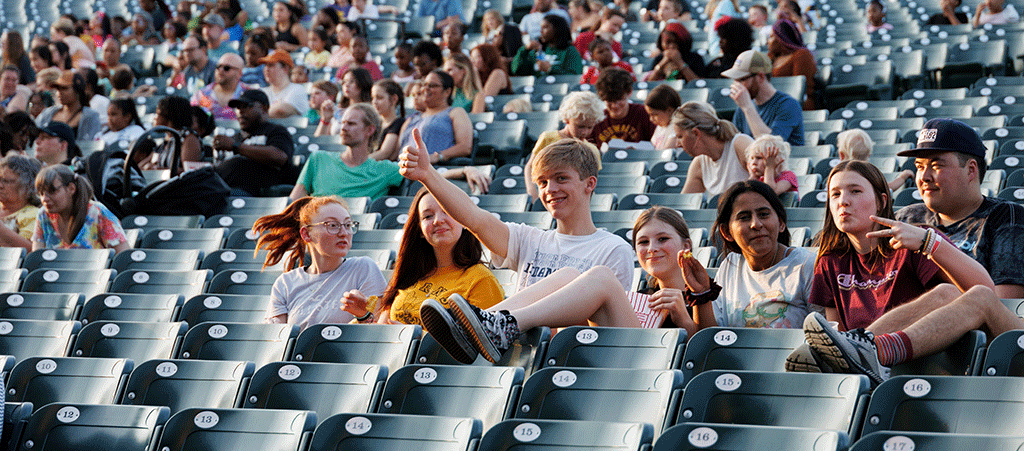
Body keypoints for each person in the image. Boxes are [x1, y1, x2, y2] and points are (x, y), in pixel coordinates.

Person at [786, 160, 1023, 385]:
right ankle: (863, 351)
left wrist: (929, 243)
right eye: (835, 194)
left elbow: (985, 293)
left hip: (926, 366)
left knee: (948, 292)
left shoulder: (914, 238)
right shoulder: (829, 260)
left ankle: (872, 349)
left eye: (855, 191)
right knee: (840, 345)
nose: (843, 201)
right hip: (872, 375)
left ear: (881, 201)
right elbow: (834, 332)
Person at [401, 134, 635, 294]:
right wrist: (427, 175)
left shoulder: (613, 249)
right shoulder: (529, 240)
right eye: (542, 182)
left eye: (561, 178)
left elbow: (606, 323)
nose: (550, 190)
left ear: (590, 183)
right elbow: (473, 217)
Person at [895, 118, 1024, 299]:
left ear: (971, 170)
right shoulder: (906, 218)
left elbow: (1005, 308)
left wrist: (930, 244)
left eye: (936, 165)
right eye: (919, 166)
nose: (924, 177)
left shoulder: (1007, 218)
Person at [373, 188, 503, 325]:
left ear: (464, 220)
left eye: (447, 211)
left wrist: (412, 336)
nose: (438, 220)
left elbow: (483, 340)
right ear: (420, 230)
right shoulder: (408, 274)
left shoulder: (481, 279)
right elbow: (382, 327)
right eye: (428, 216)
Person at [255, 196, 387, 329]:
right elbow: (276, 340)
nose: (344, 233)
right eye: (332, 225)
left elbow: (378, 334)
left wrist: (363, 315)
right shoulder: (285, 283)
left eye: (347, 225)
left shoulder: (363, 268)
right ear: (306, 234)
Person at [211, 89, 294, 196]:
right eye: (238, 107)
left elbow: (280, 157)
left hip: (256, 194)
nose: (240, 111)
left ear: (264, 108)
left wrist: (236, 147)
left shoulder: (275, 131)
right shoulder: (235, 138)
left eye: (247, 106)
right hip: (222, 188)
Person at [524, 91, 604, 199]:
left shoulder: (592, 150)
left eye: (589, 127)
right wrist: (532, 190)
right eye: (580, 126)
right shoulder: (549, 138)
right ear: (567, 119)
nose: (585, 132)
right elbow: (530, 166)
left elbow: (592, 181)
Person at [32, 164, 129, 252]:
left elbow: (123, 257)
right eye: (41, 193)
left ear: (71, 188)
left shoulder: (97, 212)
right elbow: (37, 259)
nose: (44, 198)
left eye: (52, 191)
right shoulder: (43, 215)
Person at [724, 49, 805, 146]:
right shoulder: (742, 109)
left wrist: (747, 108)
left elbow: (770, 147)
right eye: (735, 81)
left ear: (761, 77)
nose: (736, 86)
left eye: (741, 80)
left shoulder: (789, 105)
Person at [673, 101, 752, 195]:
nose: (677, 144)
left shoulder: (740, 144)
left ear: (696, 133)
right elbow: (684, 205)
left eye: (680, 137)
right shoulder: (698, 164)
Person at [396, 70, 472, 163]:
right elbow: (396, 151)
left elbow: (465, 147)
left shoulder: (455, 112)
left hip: (432, 169)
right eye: (424, 84)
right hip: (401, 169)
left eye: (432, 85)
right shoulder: (412, 118)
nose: (426, 88)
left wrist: (438, 156)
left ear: (447, 92)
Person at [589, 68, 656, 146]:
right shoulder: (596, 118)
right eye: (609, 100)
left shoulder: (644, 114)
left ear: (630, 93)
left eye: (620, 99)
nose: (615, 106)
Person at [837, 129, 913, 191]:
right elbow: (888, 188)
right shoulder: (868, 174)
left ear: (841, 155)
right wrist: (902, 178)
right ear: (869, 155)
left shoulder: (837, 176)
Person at [36, 70, 102, 141]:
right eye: (58, 89)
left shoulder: (90, 116)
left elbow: (90, 144)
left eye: (64, 88)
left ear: (77, 90)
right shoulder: (48, 113)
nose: (59, 93)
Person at [511, 15, 583, 76]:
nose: (541, 31)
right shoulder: (536, 51)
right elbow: (516, 70)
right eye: (541, 27)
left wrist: (550, 69)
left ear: (557, 29)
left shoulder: (570, 51)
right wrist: (524, 50)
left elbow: (575, 76)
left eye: (545, 27)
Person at [767, 19, 816, 109]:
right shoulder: (771, 57)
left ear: (781, 39)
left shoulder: (801, 55)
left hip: (797, 107)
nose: (767, 42)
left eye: (771, 37)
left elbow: (801, 89)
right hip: (774, 105)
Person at [0, 155, 42, 250]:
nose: (0, 185)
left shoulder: (34, 214)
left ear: (27, 186)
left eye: (6, 181)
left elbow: (30, 251)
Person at [191, 53, 248, 121]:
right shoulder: (202, 94)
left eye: (226, 68)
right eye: (218, 66)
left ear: (239, 73)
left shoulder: (248, 94)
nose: (221, 70)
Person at [317, 67, 372, 136]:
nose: (346, 85)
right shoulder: (337, 111)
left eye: (352, 81)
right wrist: (325, 119)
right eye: (344, 82)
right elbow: (319, 140)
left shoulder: (371, 112)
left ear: (363, 83)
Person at [259, 50, 308, 118]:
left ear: (285, 69)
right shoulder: (262, 92)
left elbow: (280, 111)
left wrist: (255, 114)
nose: (266, 69)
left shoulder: (297, 89)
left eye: (271, 65)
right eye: (265, 65)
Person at [369, 79, 406, 161]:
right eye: (373, 98)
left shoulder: (398, 123)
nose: (374, 102)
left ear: (394, 99)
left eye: (379, 98)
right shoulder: (375, 123)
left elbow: (385, 152)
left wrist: (359, 162)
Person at [469, 44, 512, 113]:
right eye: (471, 57)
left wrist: (475, 75)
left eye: (477, 57)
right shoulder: (478, 75)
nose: (472, 61)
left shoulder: (498, 73)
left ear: (487, 57)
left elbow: (484, 100)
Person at [644, 84, 681, 150]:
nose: (651, 119)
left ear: (669, 110)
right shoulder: (660, 127)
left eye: (654, 115)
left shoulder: (677, 127)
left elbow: (667, 151)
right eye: (649, 115)